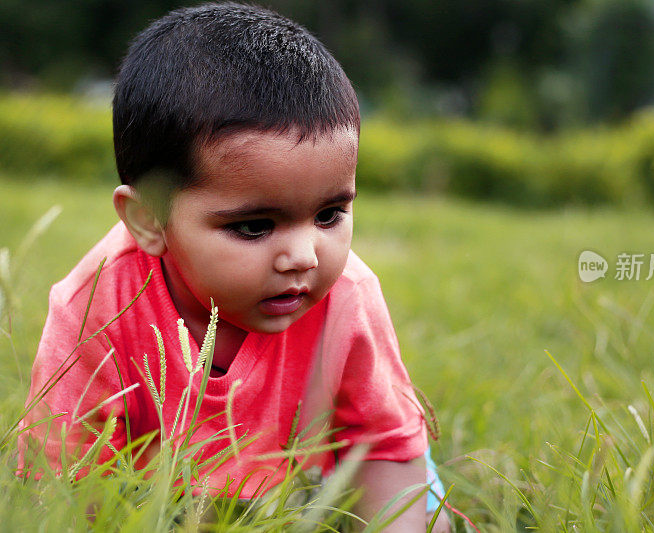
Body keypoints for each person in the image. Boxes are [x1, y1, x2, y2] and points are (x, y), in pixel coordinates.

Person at [18, 3, 450, 530]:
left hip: (307, 484)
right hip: (160, 497)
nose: (304, 256)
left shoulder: (346, 297)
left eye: (330, 214)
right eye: (254, 227)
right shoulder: (96, 307)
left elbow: (385, 446)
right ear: (149, 219)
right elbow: (63, 483)